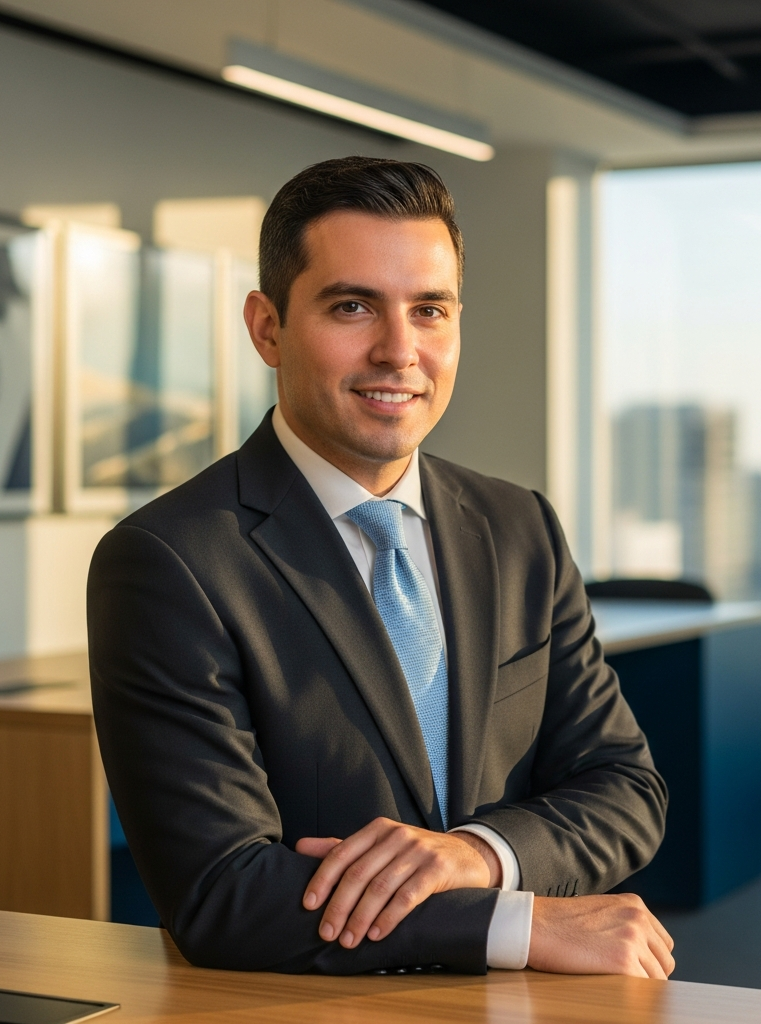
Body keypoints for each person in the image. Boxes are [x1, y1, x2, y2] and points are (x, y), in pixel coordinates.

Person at [88, 156, 674, 979]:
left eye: (429, 310)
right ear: (267, 328)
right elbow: (222, 891)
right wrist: (513, 923)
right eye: (352, 306)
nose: (400, 351)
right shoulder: (170, 560)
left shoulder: (520, 528)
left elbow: (623, 788)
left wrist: (478, 853)